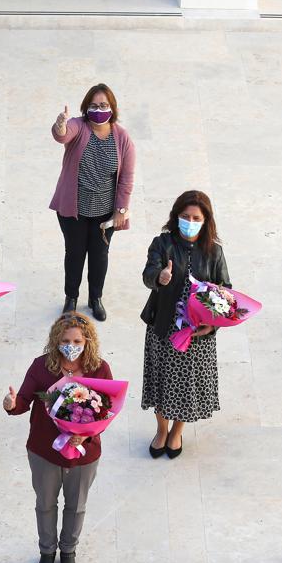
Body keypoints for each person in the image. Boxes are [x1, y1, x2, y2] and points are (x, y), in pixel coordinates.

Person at [4, 312, 111, 563]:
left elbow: (107, 410)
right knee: (45, 504)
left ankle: (68, 551)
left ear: (87, 341)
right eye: (65, 340)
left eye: (77, 340)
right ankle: (47, 551)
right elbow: (24, 401)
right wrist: (11, 403)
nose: (71, 345)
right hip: (44, 450)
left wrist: (85, 436)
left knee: (76, 506)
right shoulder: (41, 367)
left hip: (84, 454)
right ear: (56, 340)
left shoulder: (100, 368)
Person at [140, 190, 230, 459]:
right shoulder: (162, 243)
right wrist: (161, 277)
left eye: (195, 217)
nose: (189, 221)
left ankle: (177, 432)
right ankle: (161, 429)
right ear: (176, 217)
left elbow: (226, 292)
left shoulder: (214, 252)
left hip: (196, 332)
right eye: (184, 216)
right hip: (164, 325)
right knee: (160, 380)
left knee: (186, 384)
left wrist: (212, 325)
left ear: (205, 220)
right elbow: (148, 275)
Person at [49, 83, 137, 321]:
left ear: (112, 108)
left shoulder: (122, 138)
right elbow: (63, 134)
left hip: (105, 214)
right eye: (94, 105)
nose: (99, 110)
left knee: (100, 255)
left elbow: (127, 177)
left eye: (104, 105)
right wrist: (60, 125)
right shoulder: (79, 126)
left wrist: (121, 210)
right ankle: (71, 298)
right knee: (75, 253)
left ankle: (95, 298)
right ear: (86, 108)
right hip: (74, 208)